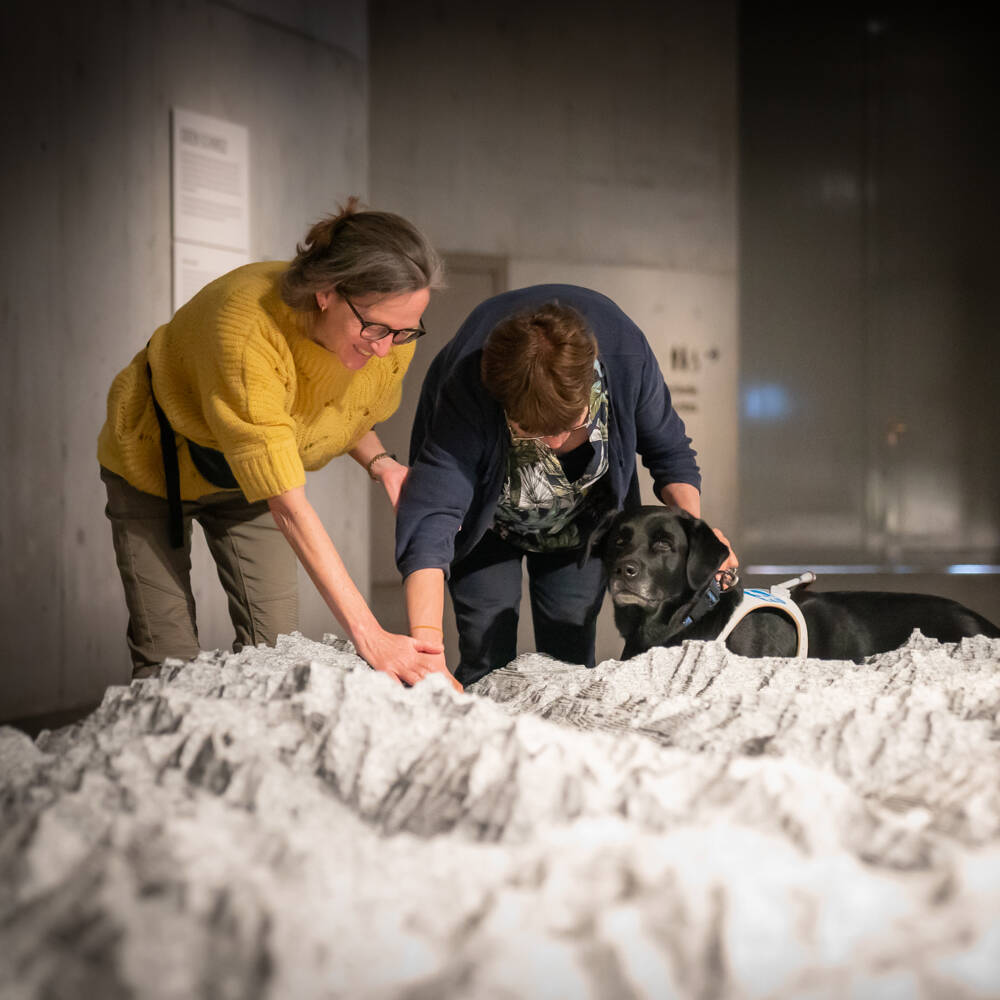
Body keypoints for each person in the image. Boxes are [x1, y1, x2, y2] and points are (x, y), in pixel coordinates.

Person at [98, 199, 460, 690]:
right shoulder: (248, 334)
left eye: (403, 331)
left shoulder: (390, 336)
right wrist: (371, 636)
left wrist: (382, 464)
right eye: (374, 327)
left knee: (276, 650)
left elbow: (339, 410)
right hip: (157, 461)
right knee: (168, 663)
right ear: (326, 293)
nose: (384, 347)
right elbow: (289, 508)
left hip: (249, 476)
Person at [395, 284, 738, 687]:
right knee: (485, 648)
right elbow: (431, 522)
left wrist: (691, 538)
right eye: (534, 434)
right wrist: (426, 650)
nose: (554, 444)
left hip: (583, 521)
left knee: (570, 654)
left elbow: (670, 454)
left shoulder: (625, 356)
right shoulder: (468, 387)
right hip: (487, 523)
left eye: (567, 428)